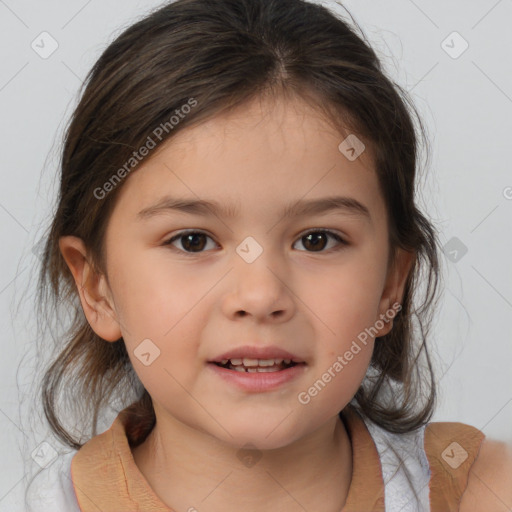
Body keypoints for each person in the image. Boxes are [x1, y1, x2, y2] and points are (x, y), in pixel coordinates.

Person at [24, 0, 512, 510]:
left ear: (392, 283)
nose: (260, 297)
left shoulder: (479, 488)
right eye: (192, 240)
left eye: (317, 240)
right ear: (95, 286)